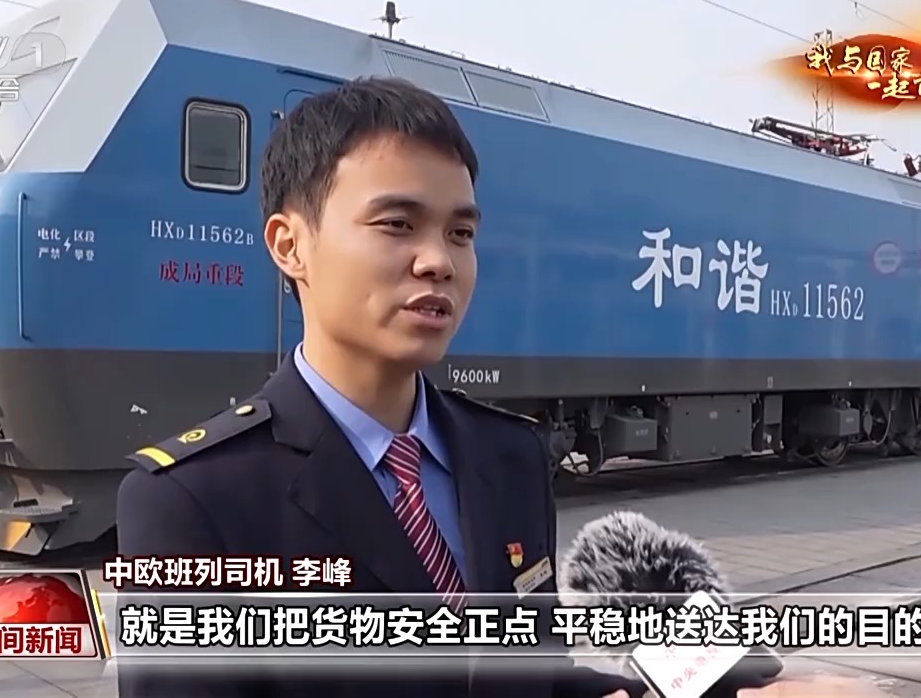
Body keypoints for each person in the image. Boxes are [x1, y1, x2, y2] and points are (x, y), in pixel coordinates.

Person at [115, 76, 646, 698]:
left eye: (461, 234)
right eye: (397, 224)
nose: (438, 261)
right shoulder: (193, 502)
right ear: (291, 245)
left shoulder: (511, 457)